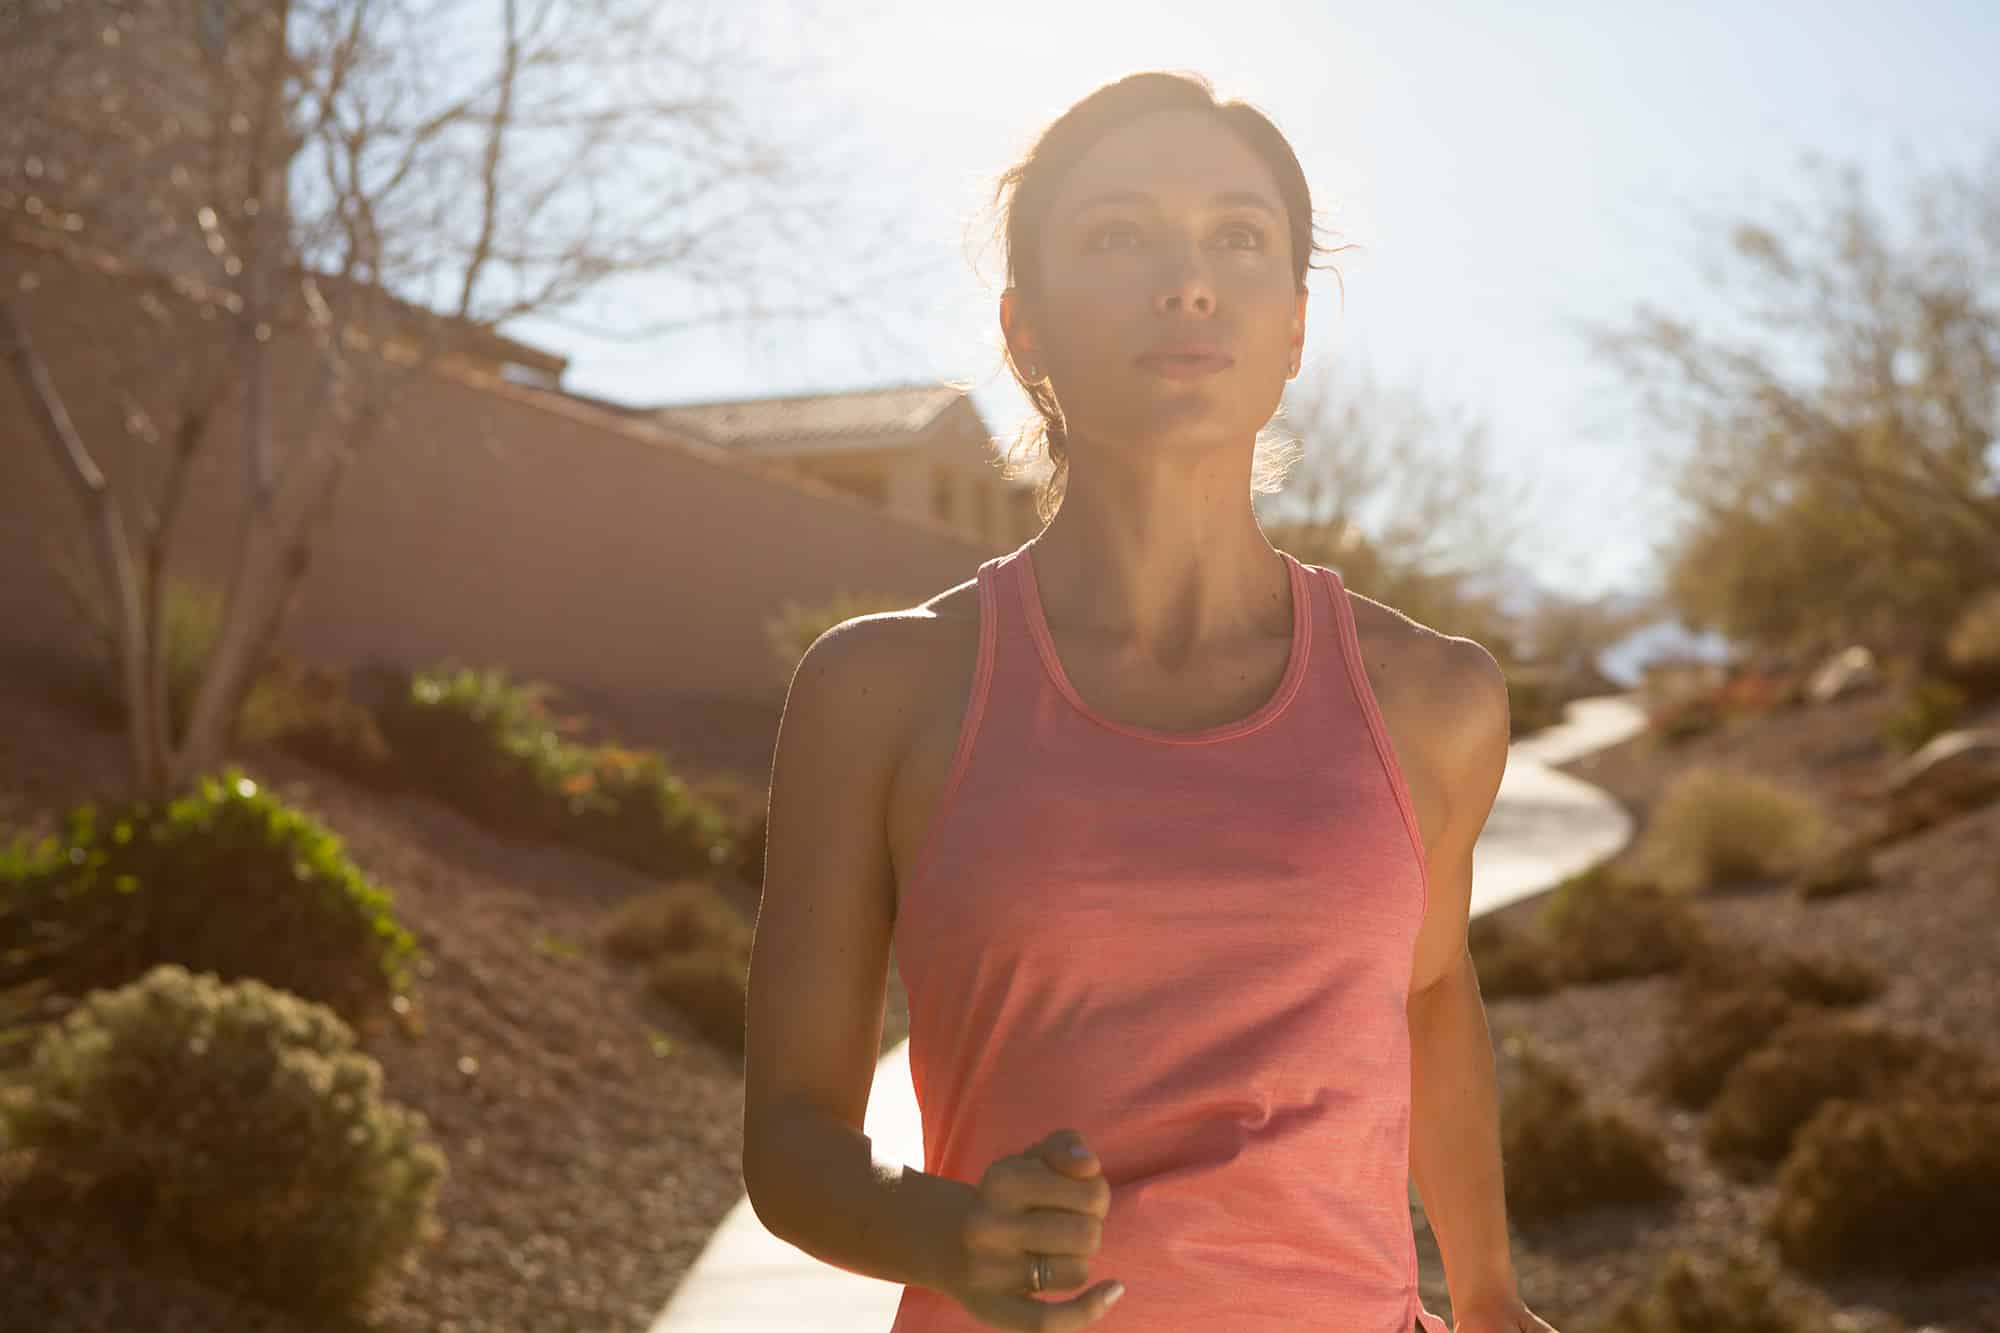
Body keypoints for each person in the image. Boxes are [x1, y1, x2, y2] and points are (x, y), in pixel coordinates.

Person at [742, 70, 1553, 1333]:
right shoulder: (880, 690)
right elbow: (789, 1140)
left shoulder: (1433, 699)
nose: (1187, 282)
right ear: (1025, 331)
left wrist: (1492, 1294)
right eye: (1116, 236)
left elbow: (1433, 992)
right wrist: (948, 1234)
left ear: (1290, 327)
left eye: (1237, 237)